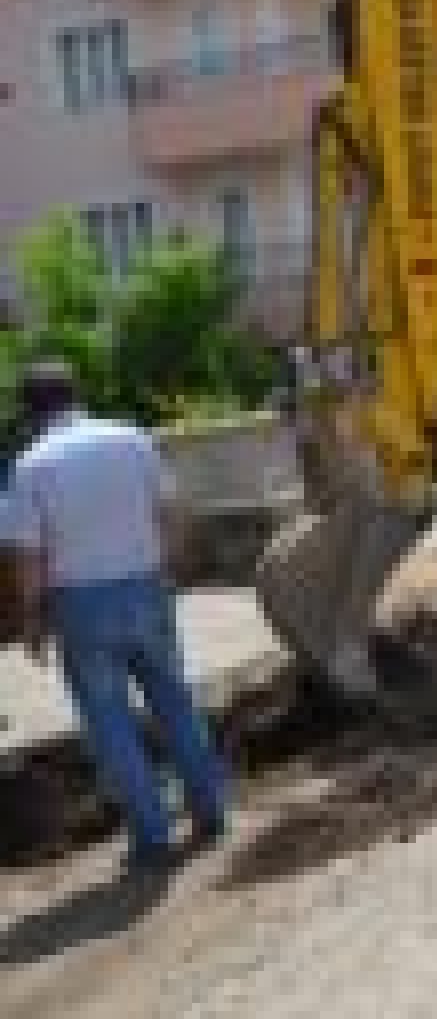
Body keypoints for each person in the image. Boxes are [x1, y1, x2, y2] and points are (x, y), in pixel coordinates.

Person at [8, 361, 229, 873]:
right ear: (75, 396)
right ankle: (210, 811)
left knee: (111, 724)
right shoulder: (131, 439)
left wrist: (31, 621)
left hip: (81, 604)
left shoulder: (32, 465)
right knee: (175, 702)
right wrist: (165, 572)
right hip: (146, 586)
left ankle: (153, 838)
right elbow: (170, 513)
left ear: (30, 412)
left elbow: (28, 558)